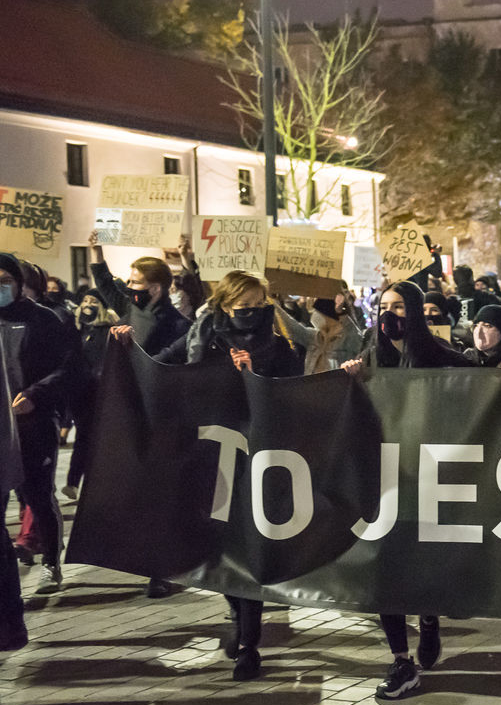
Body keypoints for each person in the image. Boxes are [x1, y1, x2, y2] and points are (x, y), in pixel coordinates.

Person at [123, 271, 301, 679]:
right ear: (223, 305)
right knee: (216, 544)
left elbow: (293, 393)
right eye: (244, 307)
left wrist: (254, 376)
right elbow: (163, 370)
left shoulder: (280, 345)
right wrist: (125, 349)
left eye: (260, 306)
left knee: (250, 547)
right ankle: (236, 613)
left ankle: (250, 645)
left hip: (257, 459)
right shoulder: (202, 337)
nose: (253, 314)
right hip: (210, 456)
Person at [342, 280, 473, 700]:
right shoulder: (370, 360)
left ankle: (429, 618)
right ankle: (401, 661)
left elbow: (483, 384)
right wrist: (351, 380)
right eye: (384, 306)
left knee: (423, 564)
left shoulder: (439, 358)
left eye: (399, 307)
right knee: (386, 569)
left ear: (415, 313)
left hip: (429, 480)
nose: (389, 314)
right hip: (387, 481)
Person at [0, 254, 76, 596]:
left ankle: (50, 562)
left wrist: (36, 394)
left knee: (37, 494)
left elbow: (68, 368)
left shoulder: (43, 319)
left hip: (33, 421)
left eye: (4, 279)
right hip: (2, 428)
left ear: (18, 282)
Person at [87, 231, 190, 356]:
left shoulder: (179, 326)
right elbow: (105, 284)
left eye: (135, 282)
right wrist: (95, 250)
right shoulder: (130, 309)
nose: (129, 286)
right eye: (129, 281)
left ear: (155, 289)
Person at [62, 293, 118, 500]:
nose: (88, 305)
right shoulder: (77, 329)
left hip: (100, 391)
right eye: (85, 301)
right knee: (83, 437)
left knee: (95, 438)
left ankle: (87, 483)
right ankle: (73, 482)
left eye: (94, 302)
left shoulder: (107, 331)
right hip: (80, 392)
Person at [275, 291, 365, 376]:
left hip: (334, 390)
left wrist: (341, 313)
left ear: (327, 315)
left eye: (317, 312)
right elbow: (291, 327)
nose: (314, 315)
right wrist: (272, 303)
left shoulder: (347, 339)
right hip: (310, 389)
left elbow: (355, 335)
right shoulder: (315, 337)